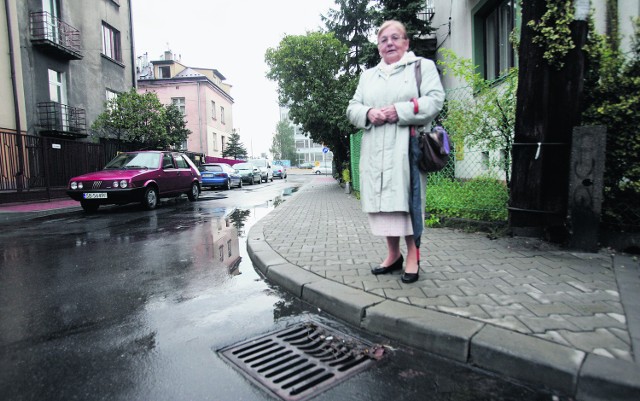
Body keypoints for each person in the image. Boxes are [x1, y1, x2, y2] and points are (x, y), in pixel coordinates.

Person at [346, 20, 445, 284]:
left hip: (406, 147)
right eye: (383, 40)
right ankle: (393, 255)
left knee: (407, 202)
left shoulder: (421, 67)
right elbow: (352, 107)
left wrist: (398, 111)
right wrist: (368, 112)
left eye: (395, 38)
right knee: (383, 207)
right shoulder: (368, 76)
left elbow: (435, 100)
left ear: (406, 42)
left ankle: (413, 256)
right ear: (378, 47)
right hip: (375, 149)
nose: (389, 43)